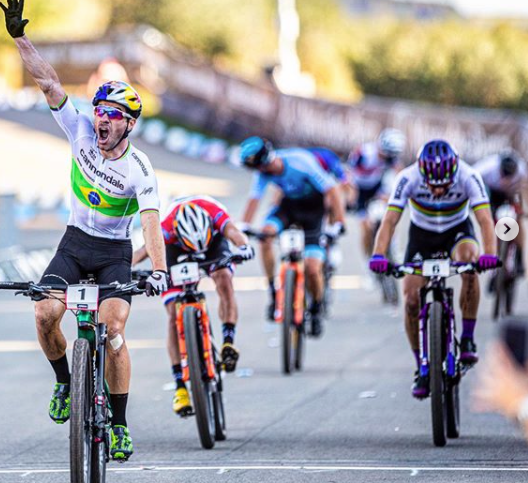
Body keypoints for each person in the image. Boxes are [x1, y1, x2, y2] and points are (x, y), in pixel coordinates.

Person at [0, 0, 168, 460]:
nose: (101, 121)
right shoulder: (79, 131)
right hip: (74, 244)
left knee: (113, 331)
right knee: (44, 314)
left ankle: (118, 423)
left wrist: (158, 271)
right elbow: (49, 82)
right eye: (98, 111)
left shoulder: (140, 168)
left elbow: (152, 223)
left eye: (111, 116)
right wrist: (20, 38)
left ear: (128, 124)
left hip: (114, 252)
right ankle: (63, 385)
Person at [369, 139, 498, 398]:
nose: (438, 191)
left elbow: (485, 220)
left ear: (454, 172)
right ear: (421, 173)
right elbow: (390, 220)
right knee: (411, 301)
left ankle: (468, 338)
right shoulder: (408, 178)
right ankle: (421, 367)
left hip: (457, 232)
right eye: (432, 185)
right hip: (422, 237)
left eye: (444, 185)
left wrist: (489, 255)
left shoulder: (468, 175)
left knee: (469, 265)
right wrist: (378, 255)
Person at [133, 196, 254, 416]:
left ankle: (228, 342)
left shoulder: (215, 213)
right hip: (177, 252)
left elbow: (235, 233)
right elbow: (143, 251)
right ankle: (180, 386)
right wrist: (124, 268)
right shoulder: (167, 227)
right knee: (172, 314)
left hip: (212, 246)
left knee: (224, 277)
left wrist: (244, 246)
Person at [239, 137, 346, 337]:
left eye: (262, 169)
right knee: (265, 236)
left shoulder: (300, 162)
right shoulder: (262, 172)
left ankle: (315, 308)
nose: (261, 174)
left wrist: (338, 223)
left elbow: (332, 190)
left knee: (313, 268)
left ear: (267, 161)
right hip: (288, 209)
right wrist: (243, 226)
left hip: (313, 211)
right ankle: (273, 290)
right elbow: (254, 197)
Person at [348, 128, 406, 258]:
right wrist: (351, 194)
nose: (388, 158)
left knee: (392, 214)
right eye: (387, 154)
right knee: (366, 228)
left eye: (392, 155)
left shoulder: (391, 158)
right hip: (359, 191)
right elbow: (348, 174)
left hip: (376, 188)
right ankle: (367, 260)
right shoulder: (363, 153)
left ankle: (394, 248)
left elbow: (401, 174)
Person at [474, 149, 528, 274]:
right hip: (492, 193)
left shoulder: (522, 170)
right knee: (491, 222)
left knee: (518, 219)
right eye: (504, 175)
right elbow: (471, 181)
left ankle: (519, 255)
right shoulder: (487, 167)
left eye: (510, 176)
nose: (507, 179)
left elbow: (525, 190)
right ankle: (496, 263)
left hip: (511, 194)